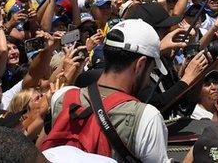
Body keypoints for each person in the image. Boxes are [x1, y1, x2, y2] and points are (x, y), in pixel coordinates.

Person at [42, 20, 170, 163]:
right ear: (140, 65)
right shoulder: (147, 118)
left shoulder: (61, 96)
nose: (148, 80)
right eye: (151, 70)